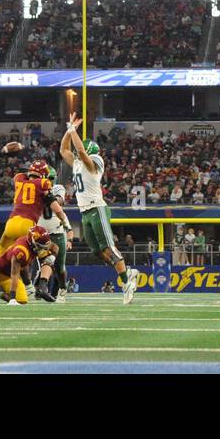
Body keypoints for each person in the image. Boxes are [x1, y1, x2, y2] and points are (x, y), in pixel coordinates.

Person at [60, 113, 139, 302]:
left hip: (97, 209)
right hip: (85, 212)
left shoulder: (95, 161)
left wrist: (73, 131)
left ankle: (126, 283)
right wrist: (68, 131)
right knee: (97, 252)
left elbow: (83, 153)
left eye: (82, 150)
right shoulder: (78, 163)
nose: (78, 153)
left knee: (109, 248)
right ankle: (127, 272)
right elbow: (64, 150)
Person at [0, 142, 53, 256]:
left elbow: (26, 176)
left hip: (11, 223)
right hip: (28, 225)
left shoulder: (19, 178)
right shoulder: (43, 183)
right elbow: (49, 201)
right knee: (39, 255)